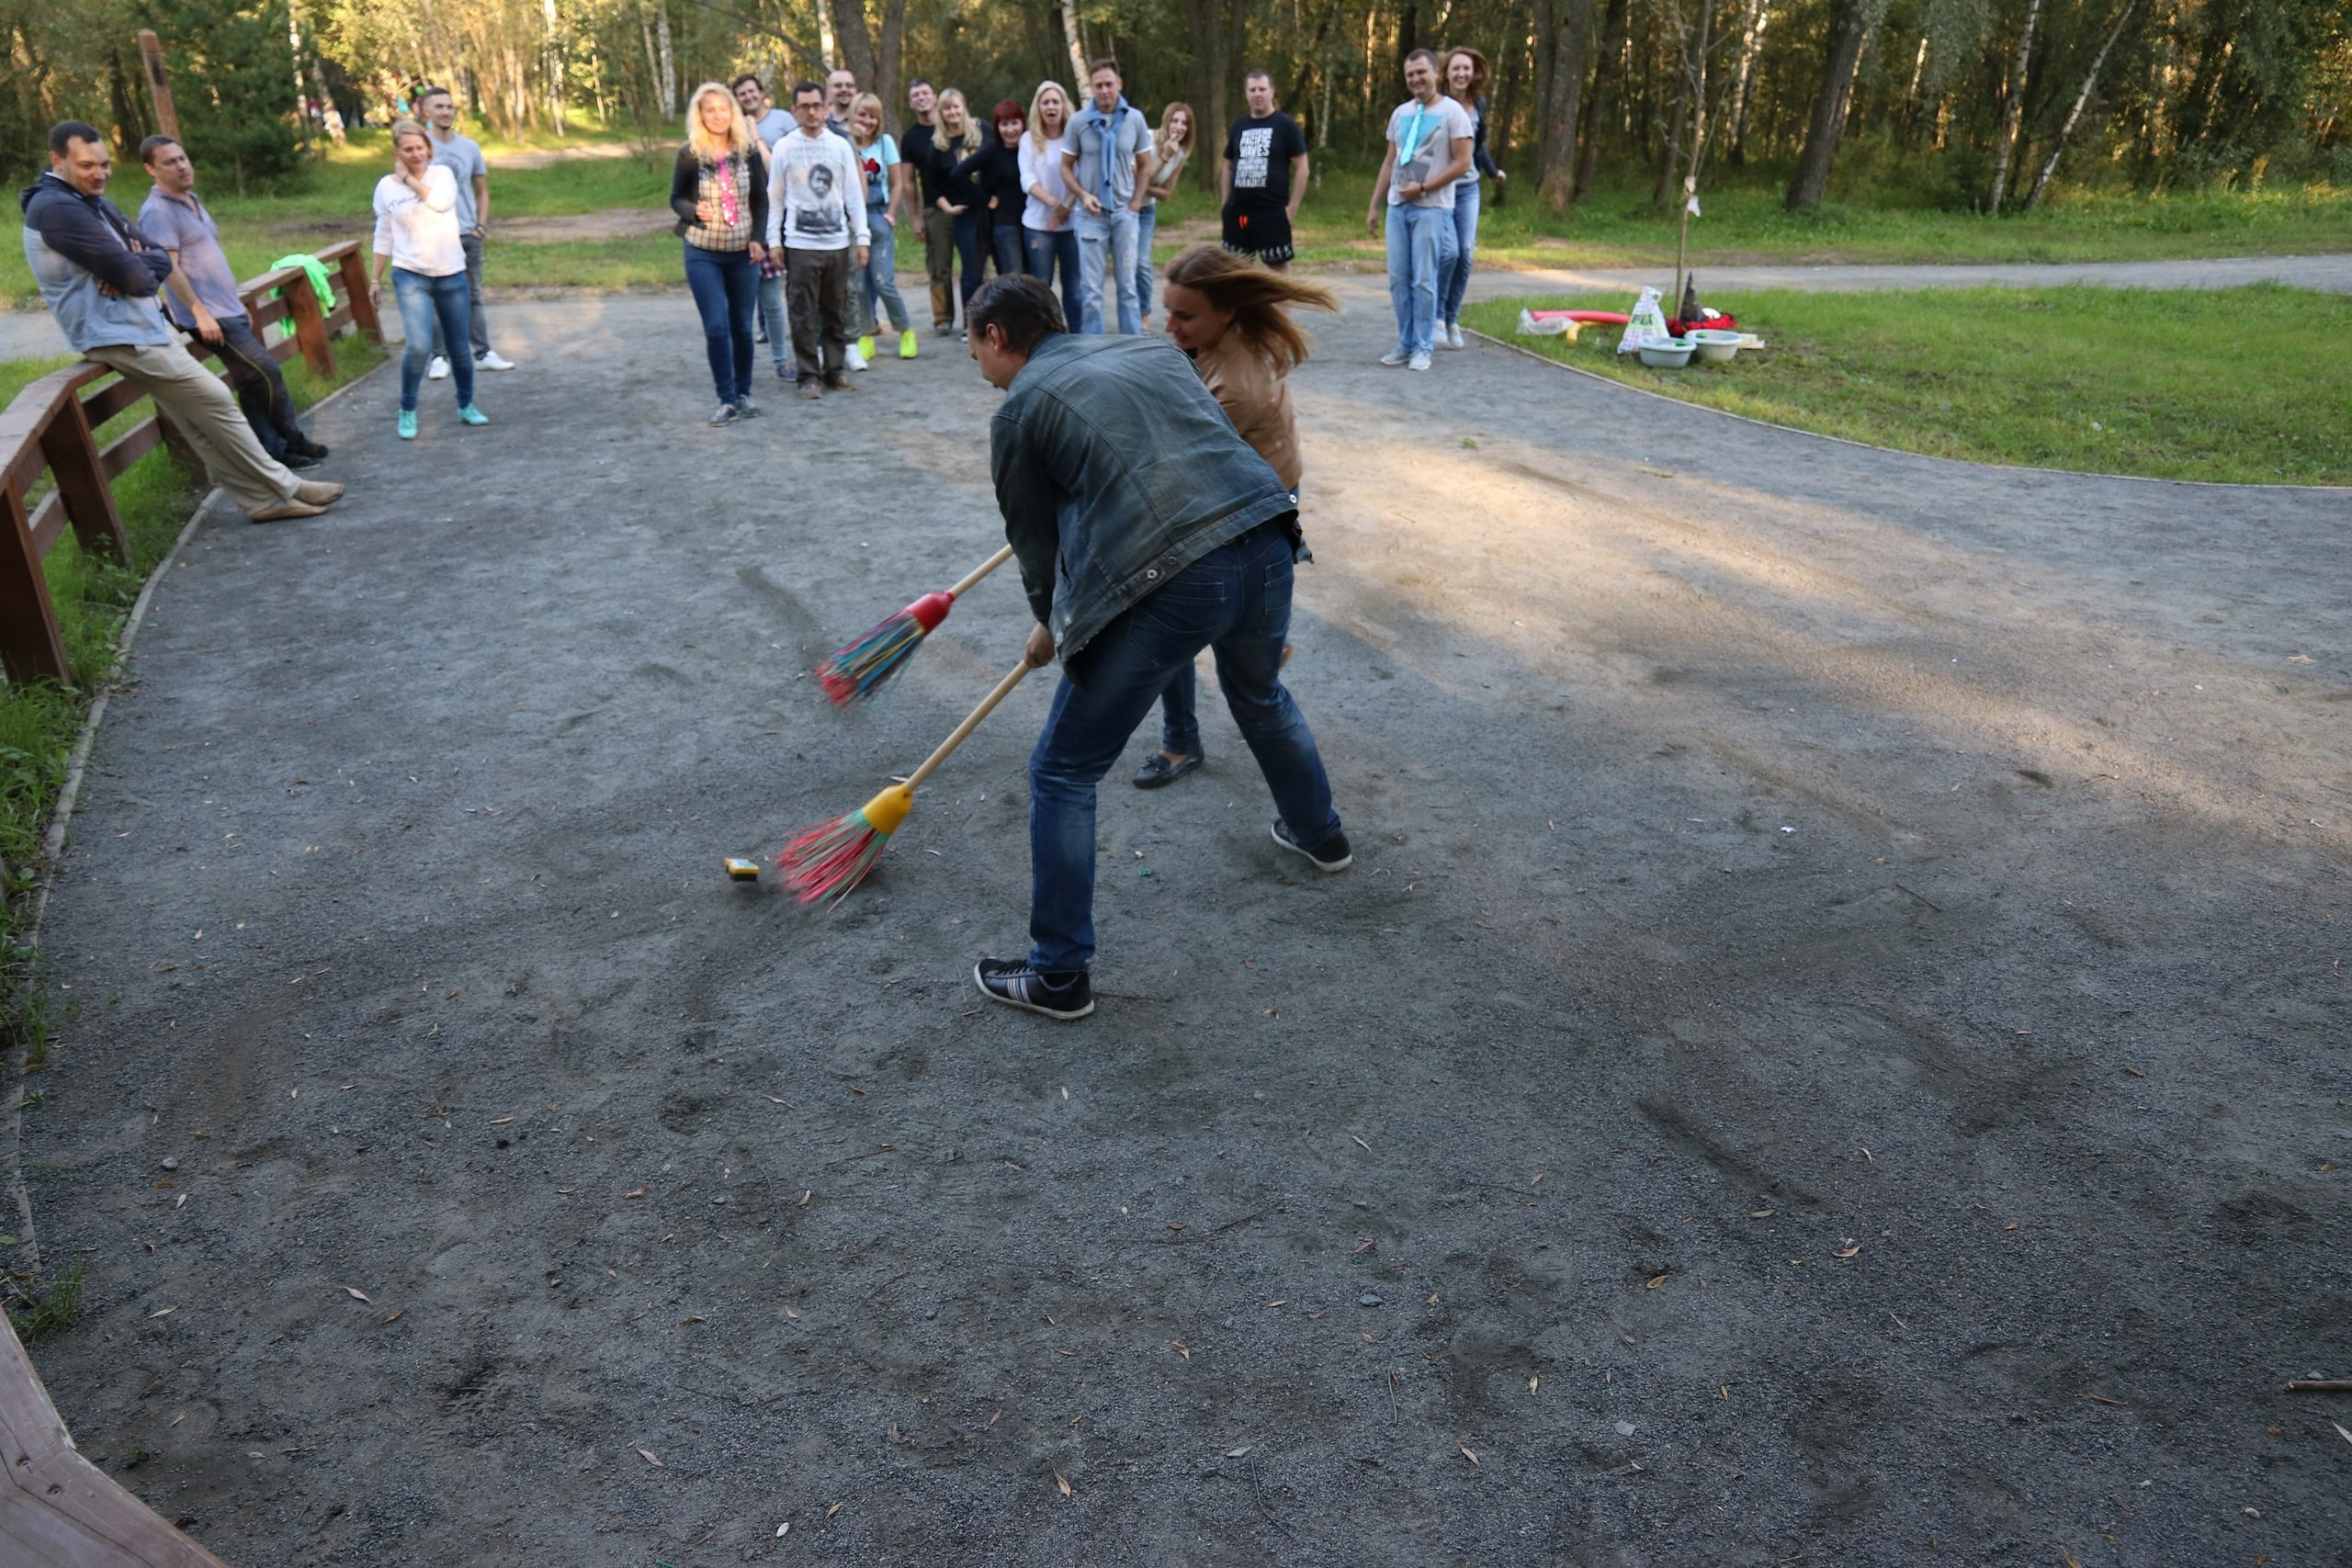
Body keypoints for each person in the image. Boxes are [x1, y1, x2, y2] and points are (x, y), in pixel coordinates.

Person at [964, 275, 1348, 1021]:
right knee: (1260, 695)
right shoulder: (1151, 351)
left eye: (973, 347)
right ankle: (1320, 835)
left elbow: (1036, 547)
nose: (977, 362)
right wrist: (1059, 618)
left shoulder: (1020, 410)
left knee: (1063, 769)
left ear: (997, 337)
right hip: (1268, 537)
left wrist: (1055, 623)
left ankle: (1057, 974)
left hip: (1180, 578)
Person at [22, 121, 343, 523]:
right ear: (57, 160)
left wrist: (131, 262)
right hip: (117, 334)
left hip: (138, 326)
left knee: (198, 421)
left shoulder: (88, 201)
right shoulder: (57, 209)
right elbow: (141, 279)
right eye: (87, 165)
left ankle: (259, 501)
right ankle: (287, 485)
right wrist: (131, 265)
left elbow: (155, 258)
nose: (100, 174)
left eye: (104, 164)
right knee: (216, 399)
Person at [1132, 244, 1337, 789]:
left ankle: (1186, 737)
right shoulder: (1216, 339)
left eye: (1184, 316)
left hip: (1251, 509)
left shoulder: (1236, 389)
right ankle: (1190, 728)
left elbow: (1173, 469)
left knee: (1180, 627)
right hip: (1243, 490)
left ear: (1226, 313)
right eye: (1168, 310)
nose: (1169, 326)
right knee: (1190, 620)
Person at [136, 134, 328, 470]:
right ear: (151, 169)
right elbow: (168, 268)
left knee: (250, 381)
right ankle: (291, 440)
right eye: (169, 162)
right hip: (208, 316)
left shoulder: (190, 199)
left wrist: (236, 304)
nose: (181, 166)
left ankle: (273, 451)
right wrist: (199, 312)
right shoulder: (157, 212)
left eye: (182, 158)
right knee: (266, 373)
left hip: (227, 308)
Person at [372, 121, 492, 439]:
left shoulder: (442, 175)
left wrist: (408, 180)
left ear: (429, 149)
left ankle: (466, 405)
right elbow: (383, 233)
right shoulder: (385, 187)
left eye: (419, 148)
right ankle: (407, 409)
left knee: (459, 347)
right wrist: (374, 279)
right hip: (410, 274)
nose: (415, 154)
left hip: (451, 273)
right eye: (408, 149)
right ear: (397, 153)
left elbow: (440, 204)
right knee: (419, 346)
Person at [1365, 50, 1473, 371]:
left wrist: (1424, 188)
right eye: (1410, 74)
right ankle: (1405, 343)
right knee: (1399, 280)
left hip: (1432, 209)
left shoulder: (1453, 113)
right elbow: (1390, 162)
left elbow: (1462, 163)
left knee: (1424, 280)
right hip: (1398, 207)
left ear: (1436, 73)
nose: (1416, 79)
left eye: (1421, 72)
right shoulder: (1401, 113)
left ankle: (1423, 347)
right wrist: (1374, 205)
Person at [671, 82, 772, 426]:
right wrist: (692, 210)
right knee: (717, 326)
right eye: (710, 110)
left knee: (742, 326)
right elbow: (676, 199)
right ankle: (726, 399)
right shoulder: (689, 154)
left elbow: (760, 199)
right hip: (703, 252)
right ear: (700, 115)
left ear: (733, 112)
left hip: (743, 253)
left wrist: (759, 239)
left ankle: (743, 394)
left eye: (723, 109)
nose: (718, 116)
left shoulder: (748, 151)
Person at [766, 80, 869, 398]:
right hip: (800, 245)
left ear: (826, 108)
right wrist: (774, 241)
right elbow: (776, 198)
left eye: (816, 106)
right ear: (795, 110)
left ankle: (835, 370)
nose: (811, 112)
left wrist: (862, 237)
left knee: (835, 309)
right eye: (805, 106)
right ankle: (808, 375)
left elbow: (853, 195)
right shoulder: (784, 147)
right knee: (801, 312)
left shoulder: (840, 146)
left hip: (837, 244)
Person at [416, 85, 515, 378]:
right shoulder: (419, 147)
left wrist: (480, 226)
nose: (446, 112)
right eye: (439, 107)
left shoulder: (469, 147)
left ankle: (483, 353)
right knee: (437, 297)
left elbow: (482, 191)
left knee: (473, 296)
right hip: (434, 237)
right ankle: (439, 357)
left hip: (468, 234)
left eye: (449, 106)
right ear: (426, 111)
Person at [1059, 57, 1150, 335]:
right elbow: (1065, 167)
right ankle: (1094, 349)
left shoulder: (1134, 119)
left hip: (1124, 213)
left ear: (1119, 84)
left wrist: (1136, 203)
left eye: (1109, 84)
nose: (1104, 90)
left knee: (1128, 287)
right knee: (1091, 291)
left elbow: (1145, 164)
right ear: (1092, 87)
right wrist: (1082, 195)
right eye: (1098, 85)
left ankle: (1131, 346)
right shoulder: (1078, 122)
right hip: (1091, 216)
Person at [1438, 47, 1504, 351]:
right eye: (1456, 68)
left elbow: (1476, 146)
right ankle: (1437, 317)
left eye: (1466, 68)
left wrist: (1492, 171)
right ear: (1446, 73)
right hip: (1441, 188)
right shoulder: (1437, 103)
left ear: (1474, 72)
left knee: (1466, 252)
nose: (1462, 73)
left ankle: (1452, 319)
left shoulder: (1478, 104)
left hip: (1468, 189)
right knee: (1448, 253)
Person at [733, 71, 795, 378]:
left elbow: (782, 169)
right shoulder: (732, 129)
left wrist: (755, 134)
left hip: (775, 216)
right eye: (741, 93)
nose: (748, 96)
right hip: (741, 223)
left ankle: (782, 360)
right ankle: (738, 366)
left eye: (751, 91)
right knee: (742, 302)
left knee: (773, 298)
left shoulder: (783, 120)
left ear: (761, 92)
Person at [846, 92, 915, 362]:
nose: (867, 120)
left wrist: (890, 214)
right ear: (853, 114)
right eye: (862, 114)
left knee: (882, 281)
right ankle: (865, 333)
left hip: (878, 215)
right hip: (853, 218)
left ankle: (905, 330)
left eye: (873, 116)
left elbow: (898, 183)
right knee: (859, 284)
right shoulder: (844, 142)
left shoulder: (885, 143)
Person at [952, 100, 1028, 329]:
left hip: (1031, 222)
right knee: (1012, 279)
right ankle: (1011, 329)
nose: (1010, 129)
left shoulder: (1030, 147)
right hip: (1004, 224)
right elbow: (958, 173)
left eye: (1014, 123)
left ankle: (1029, 326)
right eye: (1004, 124)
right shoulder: (992, 150)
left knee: (1031, 279)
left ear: (1023, 123)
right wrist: (985, 199)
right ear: (997, 127)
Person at [1220, 71, 1307, 269]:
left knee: (1278, 272)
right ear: (1246, 93)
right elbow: (1227, 166)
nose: (1257, 94)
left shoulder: (1286, 126)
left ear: (1272, 92)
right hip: (1238, 214)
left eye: (1262, 89)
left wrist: (1291, 209)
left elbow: (1303, 169)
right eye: (1253, 90)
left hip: (1272, 213)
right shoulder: (1238, 126)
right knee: (1235, 271)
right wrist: (1225, 203)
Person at [1017, 81, 1082, 334]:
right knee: (1042, 287)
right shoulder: (1028, 140)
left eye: (1056, 101)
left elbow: (1083, 176)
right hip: (1038, 226)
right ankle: (1047, 337)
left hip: (1073, 224)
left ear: (1064, 106)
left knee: (1074, 288)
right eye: (1046, 102)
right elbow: (1028, 180)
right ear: (1038, 107)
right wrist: (1055, 205)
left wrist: (1066, 207)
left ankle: (1076, 337)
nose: (1051, 107)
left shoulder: (1075, 137)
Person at [899, 78, 959, 335]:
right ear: (910, 102)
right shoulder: (910, 138)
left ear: (935, 97)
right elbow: (908, 181)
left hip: (967, 204)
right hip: (935, 210)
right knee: (938, 267)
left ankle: (977, 316)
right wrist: (915, 218)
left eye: (925, 93)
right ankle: (942, 317)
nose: (921, 98)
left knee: (974, 266)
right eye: (916, 95)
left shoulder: (955, 125)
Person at [1134, 103, 1194, 331]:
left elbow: (1166, 193)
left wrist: (1143, 185)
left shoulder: (1180, 153)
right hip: (1126, 207)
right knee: (1126, 262)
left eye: (1184, 123)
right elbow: (1141, 176)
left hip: (1146, 210)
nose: (1179, 127)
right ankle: (1127, 313)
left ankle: (1143, 314)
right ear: (1166, 121)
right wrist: (1164, 157)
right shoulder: (1147, 139)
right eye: (1175, 121)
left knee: (1142, 262)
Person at [825, 68, 859, 135]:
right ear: (828, 91)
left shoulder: (866, 120)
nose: (844, 89)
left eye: (849, 85)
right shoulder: (819, 119)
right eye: (838, 85)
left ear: (856, 90)